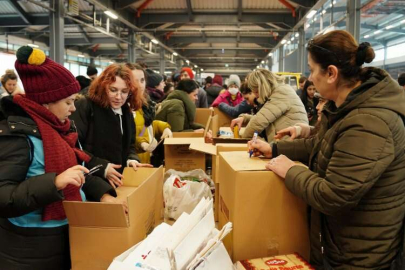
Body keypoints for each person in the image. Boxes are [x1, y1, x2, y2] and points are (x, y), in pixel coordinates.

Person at [249, 30, 405, 269]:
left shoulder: (369, 122)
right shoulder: (345, 108)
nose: (310, 79)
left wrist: (290, 171)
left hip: (360, 254)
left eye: (312, 70)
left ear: (331, 73)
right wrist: (275, 148)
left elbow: (335, 195)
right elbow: (320, 144)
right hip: (340, 240)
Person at [0, 46, 121, 270]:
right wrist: (54, 182)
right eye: (68, 102)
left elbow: (76, 171)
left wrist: (104, 194)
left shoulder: (59, 129)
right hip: (31, 251)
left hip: (66, 235)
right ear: (46, 102)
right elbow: (4, 197)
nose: (73, 108)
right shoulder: (17, 137)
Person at [70, 64, 153, 189]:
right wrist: (102, 167)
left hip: (117, 183)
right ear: (103, 87)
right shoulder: (85, 106)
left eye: (124, 92)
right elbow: (73, 147)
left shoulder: (126, 112)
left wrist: (131, 160)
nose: (118, 97)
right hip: (90, 184)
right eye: (113, 90)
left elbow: (129, 145)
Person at [230, 69, 308, 142]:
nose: (256, 96)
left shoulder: (281, 93)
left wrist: (241, 140)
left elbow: (259, 122)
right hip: (288, 144)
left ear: (263, 87)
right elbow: (265, 117)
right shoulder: (280, 91)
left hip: (291, 147)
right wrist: (244, 119)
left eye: (257, 92)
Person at [126, 63, 173, 165]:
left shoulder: (141, 103)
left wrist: (164, 127)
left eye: (142, 80)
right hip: (132, 163)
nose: (140, 85)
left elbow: (146, 126)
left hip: (145, 159)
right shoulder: (123, 106)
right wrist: (142, 143)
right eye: (134, 81)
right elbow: (125, 136)